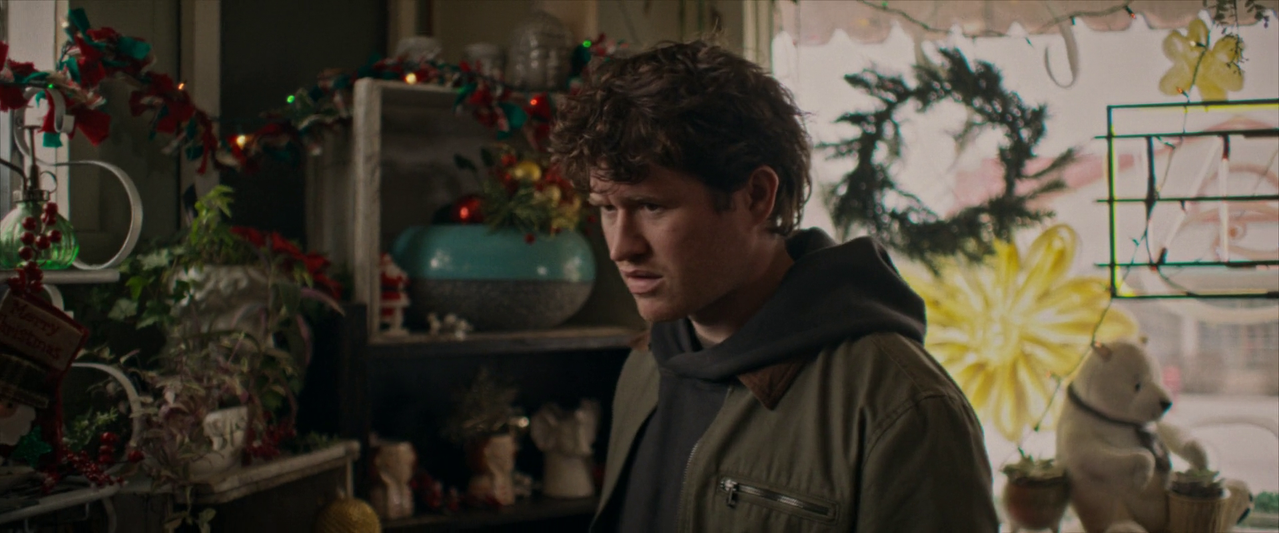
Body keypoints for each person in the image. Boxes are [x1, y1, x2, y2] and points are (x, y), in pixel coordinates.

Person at [550, 41, 998, 532]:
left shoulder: (903, 409)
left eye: (651, 206)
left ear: (757, 196)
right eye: (607, 208)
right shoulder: (645, 363)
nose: (621, 247)